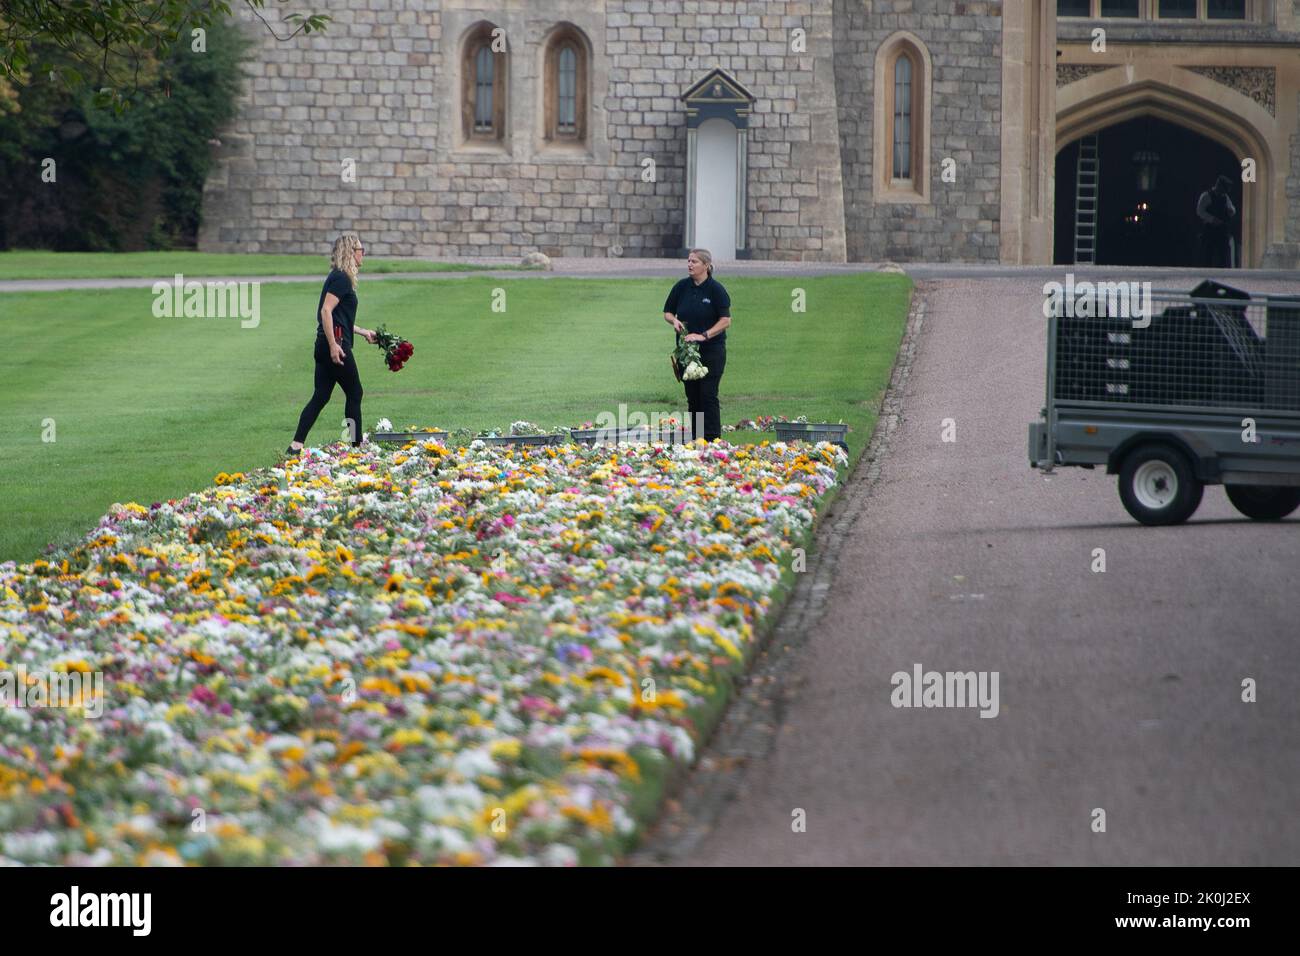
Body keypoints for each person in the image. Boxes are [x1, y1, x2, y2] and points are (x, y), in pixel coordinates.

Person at [286, 232, 378, 456]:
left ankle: (295, 446)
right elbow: (325, 311)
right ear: (351, 252)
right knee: (355, 393)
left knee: (321, 396)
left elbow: (339, 317)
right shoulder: (341, 279)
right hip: (335, 345)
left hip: (327, 343)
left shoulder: (339, 277)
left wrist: (362, 331)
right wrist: (334, 346)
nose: (363, 254)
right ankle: (356, 448)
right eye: (360, 250)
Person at [663, 248, 731, 442]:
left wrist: (703, 336)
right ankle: (696, 438)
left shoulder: (716, 290)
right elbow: (668, 312)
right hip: (687, 353)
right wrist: (673, 321)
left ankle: (713, 440)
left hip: (711, 351)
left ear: (706, 266)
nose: (690, 265)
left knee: (708, 395)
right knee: (692, 396)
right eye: (689, 261)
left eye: (694, 262)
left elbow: (726, 320)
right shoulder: (681, 287)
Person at [1196, 174, 1236, 269]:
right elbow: (1200, 211)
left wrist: (1231, 211)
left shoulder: (1225, 197)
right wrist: (1212, 219)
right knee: (1208, 252)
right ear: (1219, 186)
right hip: (1210, 228)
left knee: (1223, 252)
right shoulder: (1206, 195)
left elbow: (1232, 208)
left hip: (1222, 229)